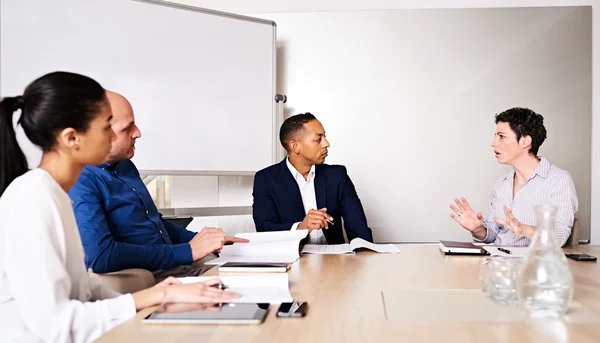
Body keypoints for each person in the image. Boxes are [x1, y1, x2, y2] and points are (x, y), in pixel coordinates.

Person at [0, 71, 239, 342]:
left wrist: (159, 300)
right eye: (106, 127)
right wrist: (159, 294)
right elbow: (56, 326)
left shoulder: (55, 192)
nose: (118, 136)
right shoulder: (33, 198)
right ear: (72, 138)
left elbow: (83, 291)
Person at [68, 91, 248, 280]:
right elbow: (101, 257)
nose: (137, 133)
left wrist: (202, 240)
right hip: (155, 280)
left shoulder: (124, 165)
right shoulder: (80, 180)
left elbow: (153, 224)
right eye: (127, 128)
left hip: (178, 268)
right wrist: (188, 251)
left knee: (266, 274)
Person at [449, 107, 579, 247]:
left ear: (525, 141)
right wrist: (478, 229)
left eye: (501, 136)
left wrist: (523, 229)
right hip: (497, 263)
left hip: (529, 265)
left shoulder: (558, 180)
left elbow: (558, 236)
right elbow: (493, 234)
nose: (493, 143)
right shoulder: (501, 184)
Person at [252, 112, 373, 244]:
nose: (326, 144)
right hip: (293, 260)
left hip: (335, 261)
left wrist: (363, 257)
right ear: (295, 146)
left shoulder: (337, 176)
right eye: (318, 139)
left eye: (325, 137)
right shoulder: (265, 179)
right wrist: (301, 227)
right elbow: (264, 229)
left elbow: (359, 230)